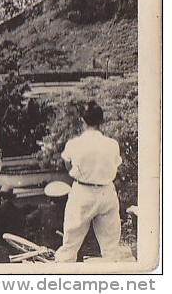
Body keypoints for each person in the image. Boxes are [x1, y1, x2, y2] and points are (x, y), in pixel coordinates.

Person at [54, 102, 123, 263]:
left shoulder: (74, 144)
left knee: (70, 244)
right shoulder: (112, 144)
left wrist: (82, 172)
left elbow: (67, 165)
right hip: (106, 191)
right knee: (111, 248)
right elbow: (116, 166)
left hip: (82, 192)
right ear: (102, 121)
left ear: (82, 121)